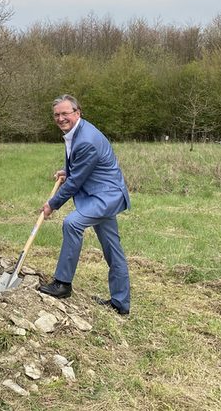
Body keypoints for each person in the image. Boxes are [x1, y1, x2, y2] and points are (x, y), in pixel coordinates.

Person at [38, 94, 131, 315]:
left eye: (65, 113)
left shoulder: (87, 139)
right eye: (57, 115)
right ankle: (120, 303)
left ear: (77, 113)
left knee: (72, 223)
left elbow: (75, 182)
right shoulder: (75, 132)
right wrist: (67, 171)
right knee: (113, 249)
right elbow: (80, 168)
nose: (61, 118)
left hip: (106, 196)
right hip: (96, 193)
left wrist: (52, 204)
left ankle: (62, 284)